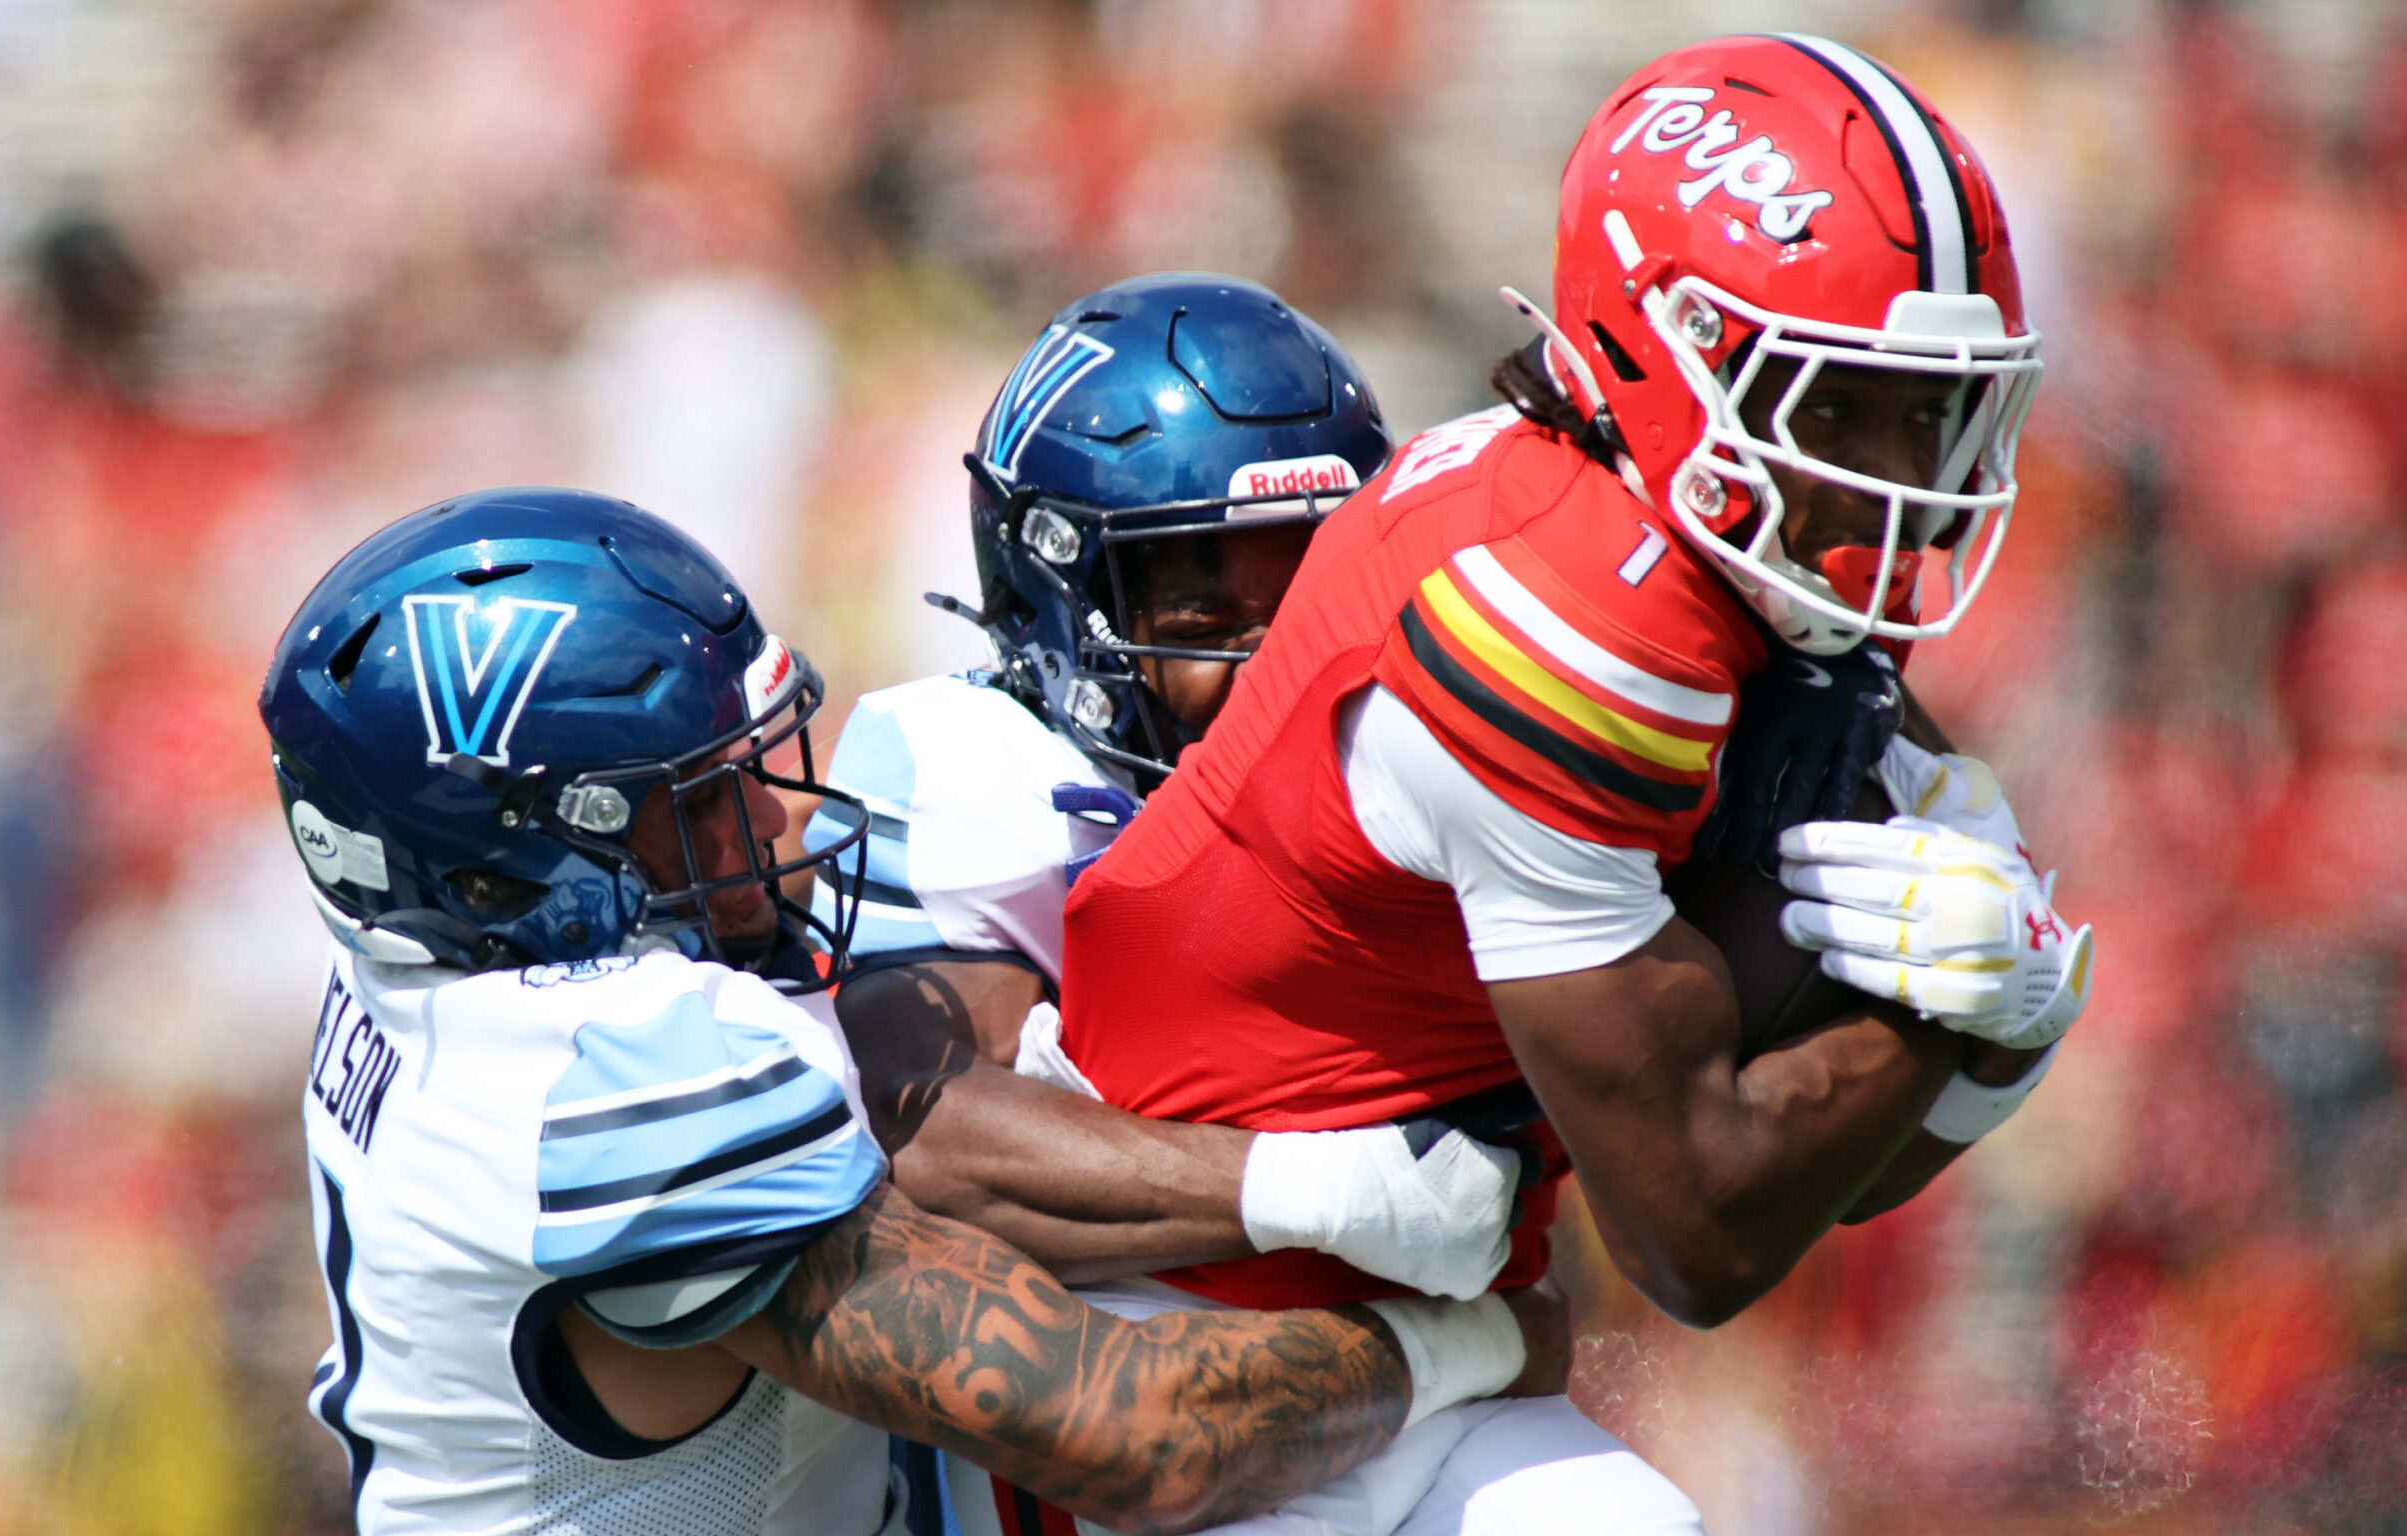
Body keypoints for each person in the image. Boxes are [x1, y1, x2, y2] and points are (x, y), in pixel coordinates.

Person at [1047, 33, 2095, 1530]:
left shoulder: (1694, 545)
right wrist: (1951, 1011)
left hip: (1418, 1322)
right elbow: (1702, 1233)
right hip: (1189, 1333)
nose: (1899, 472)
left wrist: (1999, 1039)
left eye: (1933, 409)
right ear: (1659, 346)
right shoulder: (1567, 627)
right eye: (1838, 403)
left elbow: (1829, 1178)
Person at [259, 486, 1566, 1536]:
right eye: (701, 799)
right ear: (513, 864)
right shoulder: (621, 1083)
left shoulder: (430, 966)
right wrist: (1484, 1336)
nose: (774, 823)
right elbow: (1137, 1438)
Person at [808, 275, 1619, 1534]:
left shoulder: (1420, 751)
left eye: (1305, 595)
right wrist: (1338, 1192)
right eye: (1200, 612)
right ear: (1059, 598)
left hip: (1420, 1405)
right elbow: (921, 1147)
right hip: (1144, 1451)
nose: (1270, 659)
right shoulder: (974, 763)